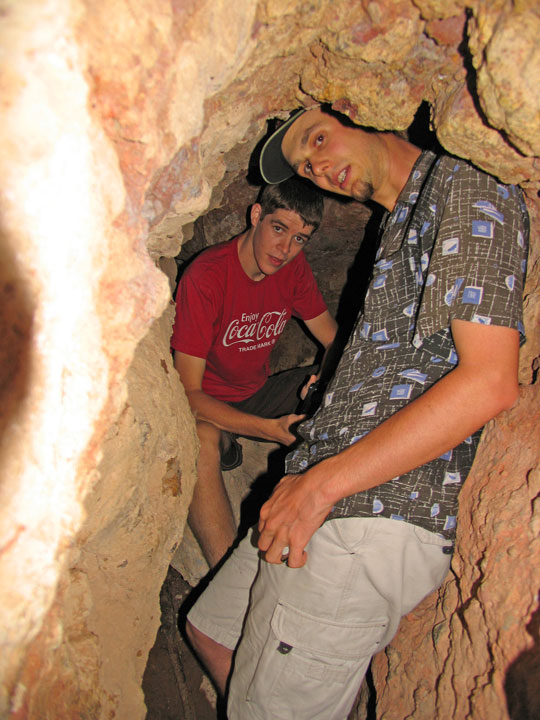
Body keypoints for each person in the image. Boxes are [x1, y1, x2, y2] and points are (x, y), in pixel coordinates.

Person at [185, 105, 529, 719]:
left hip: (364, 514)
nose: (317, 166)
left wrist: (319, 487)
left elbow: (489, 381)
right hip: (320, 489)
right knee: (212, 629)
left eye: (317, 139)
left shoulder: (465, 187)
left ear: (368, 116)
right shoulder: (403, 220)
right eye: (305, 165)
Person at [171, 176, 337, 568]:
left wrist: (326, 378)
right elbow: (188, 394)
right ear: (257, 215)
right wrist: (270, 430)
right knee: (200, 439)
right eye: (279, 229)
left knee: (342, 381)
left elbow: (334, 342)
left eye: (300, 239)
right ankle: (223, 573)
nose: (285, 248)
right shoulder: (206, 278)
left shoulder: (293, 271)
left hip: (258, 391)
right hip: (208, 401)